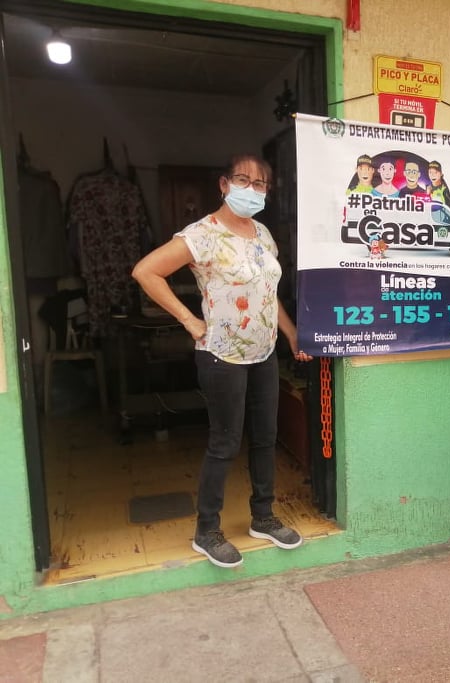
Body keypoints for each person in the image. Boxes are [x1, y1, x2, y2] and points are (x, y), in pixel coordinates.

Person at [132, 154, 313, 569]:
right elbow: (146, 272)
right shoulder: (203, 234)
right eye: (243, 180)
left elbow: (268, 293)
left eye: (260, 184)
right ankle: (207, 530)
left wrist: (290, 333)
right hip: (222, 355)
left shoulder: (263, 234)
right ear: (224, 184)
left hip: (263, 352)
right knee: (225, 443)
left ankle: (263, 517)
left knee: (265, 437)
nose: (252, 189)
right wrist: (189, 321)